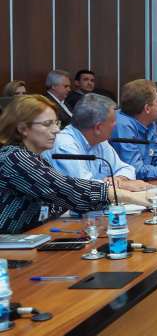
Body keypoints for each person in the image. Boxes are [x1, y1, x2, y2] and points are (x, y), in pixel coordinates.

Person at [0, 95, 149, 234]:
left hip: (32, 239)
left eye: (56, 123)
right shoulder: (14, 158)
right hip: (8, 249)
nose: (56, 130)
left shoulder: (36, 159)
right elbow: (67, 189)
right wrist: (131, 197)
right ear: (22, 129)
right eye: (47, 124)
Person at [44, 93, 149, 192]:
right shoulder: (65, 145)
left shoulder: (100, 141)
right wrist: (126, 185)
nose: (115, 124)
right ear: (98, 127)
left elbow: (126, 168)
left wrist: (117, 179)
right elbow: (82, 188)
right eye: (112, 121)